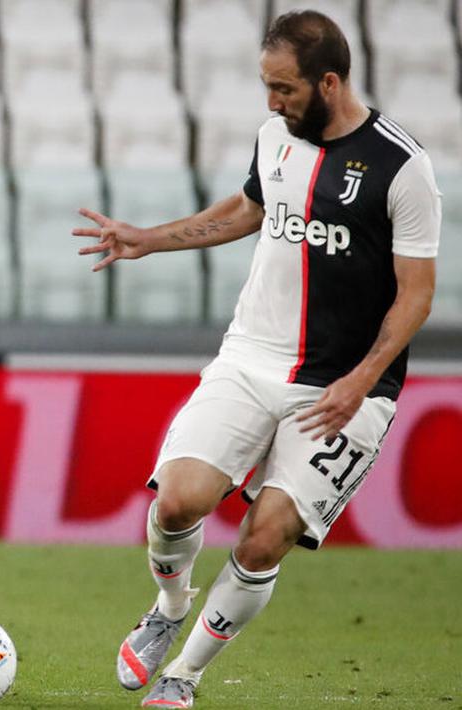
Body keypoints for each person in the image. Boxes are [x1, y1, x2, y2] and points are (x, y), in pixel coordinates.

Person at [74, 11, 440, 709]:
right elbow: (248, 209)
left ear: (327, 82)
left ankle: (182, 676)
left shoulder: (403, 167)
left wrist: (359, 382)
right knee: (177, 500)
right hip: (249, 358)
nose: (270, 103)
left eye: (283, 89)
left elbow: (415, 297)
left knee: (264, 538)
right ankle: (167, 607)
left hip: (345, 388)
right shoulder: (276, 136)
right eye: (265, 87)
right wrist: (151, 238)